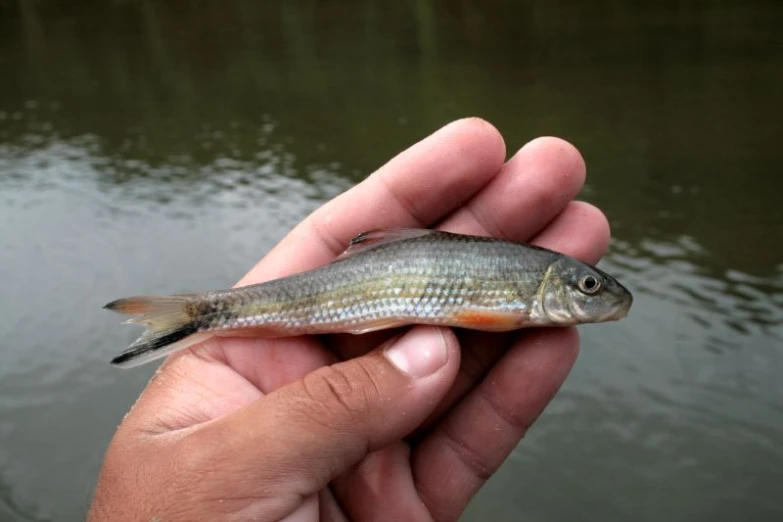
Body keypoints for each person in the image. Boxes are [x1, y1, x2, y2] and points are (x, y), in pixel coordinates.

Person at [88, 118, 610, 521]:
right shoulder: (523, 294)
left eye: (590, 286)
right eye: (588, 286)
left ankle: (202, 314)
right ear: (555, 287)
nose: (594, 293)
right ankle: (202, 314)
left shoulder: (529, 278)